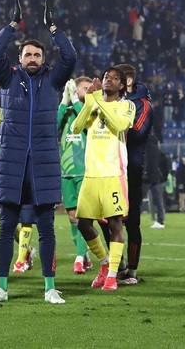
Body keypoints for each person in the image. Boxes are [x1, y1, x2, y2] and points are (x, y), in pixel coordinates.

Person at [0, 0, 76, 306]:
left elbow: (70, 56)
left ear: (43, 58)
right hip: (12, 162)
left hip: (44, 163)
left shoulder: (53, 80)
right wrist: (12, 25)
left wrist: (54, 28)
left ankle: (50, 287)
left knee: (47, 228)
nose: (33, 58)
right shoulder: (8, 79)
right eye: (28, 54)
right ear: (19, 58)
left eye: (37, 54)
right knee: (6, 227)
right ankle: (2, 287)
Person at [72, 66, 135, 291]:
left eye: (114, 78)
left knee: (115, 225)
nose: (109, 80)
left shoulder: (126, 105)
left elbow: (119, 125)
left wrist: (99, 101)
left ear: (121, 86)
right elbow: (75, 127)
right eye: (107, 76)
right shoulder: (94, 105)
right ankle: (105, 263)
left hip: (113, 174)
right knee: (83, 224)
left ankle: (112, 276)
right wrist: (90, 102)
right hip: (91, 175)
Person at [118, 63, 155, 284]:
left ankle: (132, 271)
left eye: (116, 78)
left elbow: (139, 132)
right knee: (105, 219)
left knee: (131, 222)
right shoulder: (112, 102)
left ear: (128, 81)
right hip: (111, 168)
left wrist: (114, 124)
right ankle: (118, 263)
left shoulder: (143, 104)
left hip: (131, 168)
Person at [58, 76, 93, 274]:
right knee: (72, 218)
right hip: (66, 172)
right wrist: (64, 102)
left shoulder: (90, 112)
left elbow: (87, 125)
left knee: (83, 217)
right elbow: (52, 127)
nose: (87, 91)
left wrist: (78, 102)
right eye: (83, 89)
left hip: (85, 172)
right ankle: (85, 255)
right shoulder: (67, 114)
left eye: (90, 89)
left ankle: (79, 258)